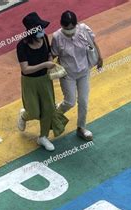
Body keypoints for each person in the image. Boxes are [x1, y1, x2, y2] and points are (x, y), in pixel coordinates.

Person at [16, 12, 68, 151]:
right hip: (30, 82)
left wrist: (50, 62)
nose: (43, 31)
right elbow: (25, 69)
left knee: (48, 109)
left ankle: (43, 137)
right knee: (33, 111)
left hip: (45, 79)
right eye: (39, 29)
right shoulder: (22, 46)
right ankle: (24, 115)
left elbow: (49, 54)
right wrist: (45, 65)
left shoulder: (44, 38)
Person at [51, 10, 103, 141]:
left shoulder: (84, 29)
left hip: (84, 71)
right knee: (70, 101)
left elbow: (93, 42)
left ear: (76, 24)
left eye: (72, 28)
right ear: (61, 26)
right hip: (67, 74)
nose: (70, 31)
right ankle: (52, 115)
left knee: (84, 101)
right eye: (66, 29)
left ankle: (81, 128)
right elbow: (53, 54)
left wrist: (99, 57)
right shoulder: (57, 37)